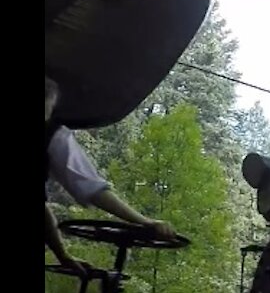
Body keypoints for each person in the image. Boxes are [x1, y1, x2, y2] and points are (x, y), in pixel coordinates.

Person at [45, 76, 177, 273]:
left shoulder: (53, 136)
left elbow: (88, 190)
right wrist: (145, 222)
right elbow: (92, 189)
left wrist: (62, 255)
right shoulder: (53, 135)